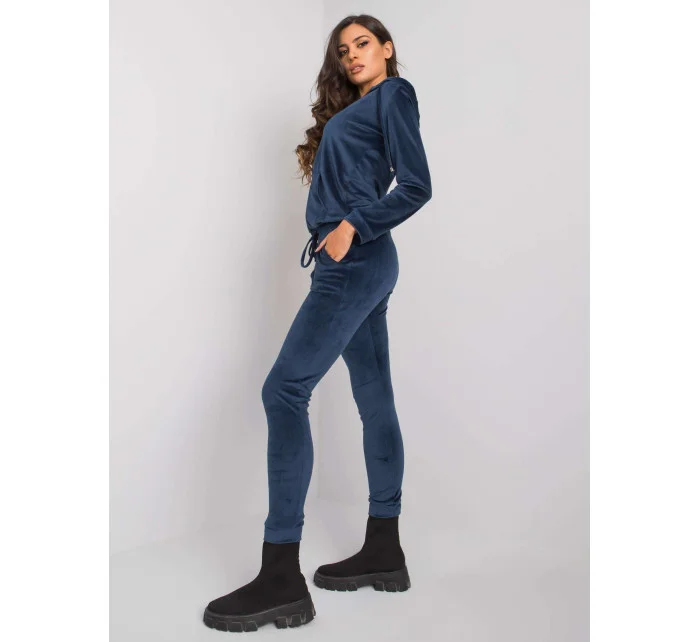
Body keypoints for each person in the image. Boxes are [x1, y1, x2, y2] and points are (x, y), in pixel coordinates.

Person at [203, 14, 432, 632]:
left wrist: (352, 226)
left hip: (355, 259)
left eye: (364, 43)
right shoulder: (355, 109)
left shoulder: (394, 94)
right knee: (374, 398)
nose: (353, 54)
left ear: (387, 48)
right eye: (343, 49)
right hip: (357, 261)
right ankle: (384, 548)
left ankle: (281, 575)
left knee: (284, 390)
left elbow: (417, 185)